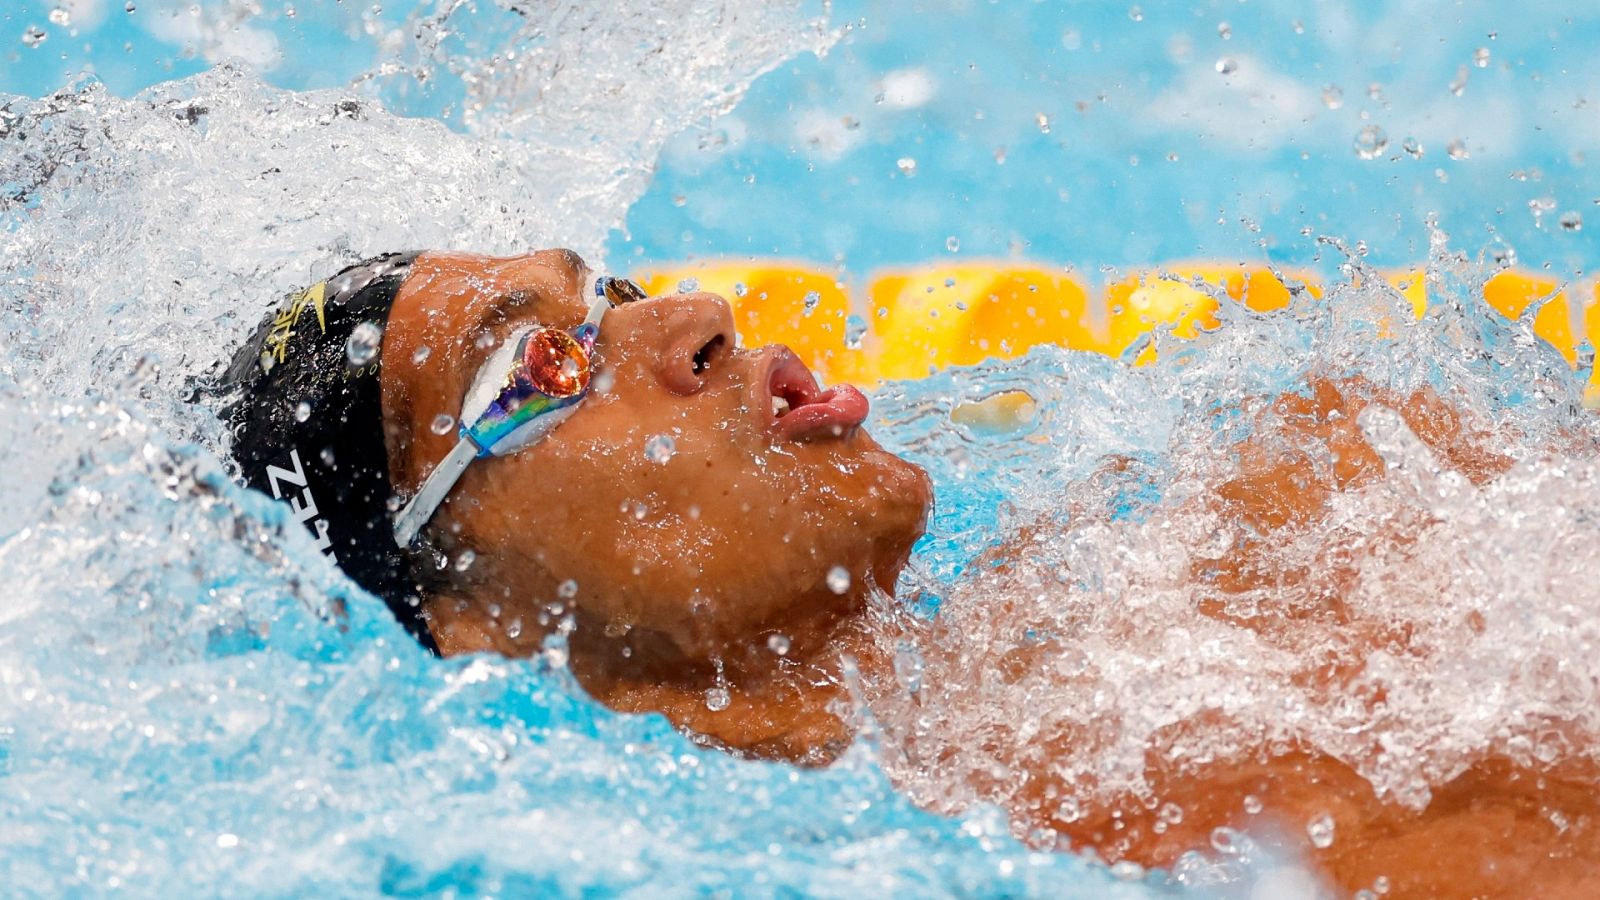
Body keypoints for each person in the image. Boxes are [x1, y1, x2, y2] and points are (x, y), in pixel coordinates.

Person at [222, 249, 1599, 897]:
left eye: (622, 293)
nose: (696, 318)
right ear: (470, 628)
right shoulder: (1030, 841)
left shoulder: (1267, 487)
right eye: (540, 366)